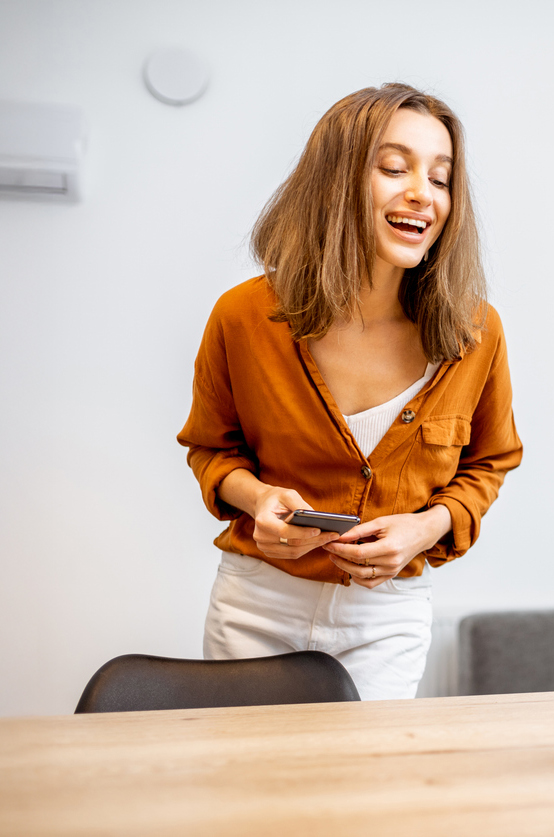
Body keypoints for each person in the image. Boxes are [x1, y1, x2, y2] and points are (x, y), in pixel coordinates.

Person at [177, 84, 522, 700]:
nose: (423, 193)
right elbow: (211, 450)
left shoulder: (476, 331)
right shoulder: (242, 316)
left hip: (385, 616)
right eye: (394, 167)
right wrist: (257, 500)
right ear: (335, 182)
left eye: (441, 179)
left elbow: (489, 464)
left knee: (367, 792)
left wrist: (426, 528)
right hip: (258, 603)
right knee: (251, 789)